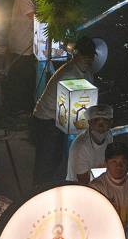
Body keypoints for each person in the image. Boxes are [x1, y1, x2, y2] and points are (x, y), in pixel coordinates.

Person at [31, 36, 97, 186]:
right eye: (85, 55)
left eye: (91, 55)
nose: (88, 59)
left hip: (60, 118)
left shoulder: (87, 73)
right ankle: (37, 190)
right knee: (47, 161)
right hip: (46, 118)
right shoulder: (69, 75)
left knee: (56, 159)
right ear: (77, 54)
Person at [4, 0, 41, 116]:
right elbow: (32, 16)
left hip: (29, 44)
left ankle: (23, 109)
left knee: (26, 78)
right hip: (21, 44)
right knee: (21, 78)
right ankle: (18, 110)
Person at [67, 105, 115, 183]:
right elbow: (83, 181)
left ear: (111, 122)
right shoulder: (81, 147)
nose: (101, 124)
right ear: (89, 122)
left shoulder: (109, 136)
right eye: (96, 120)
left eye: (105, 120)